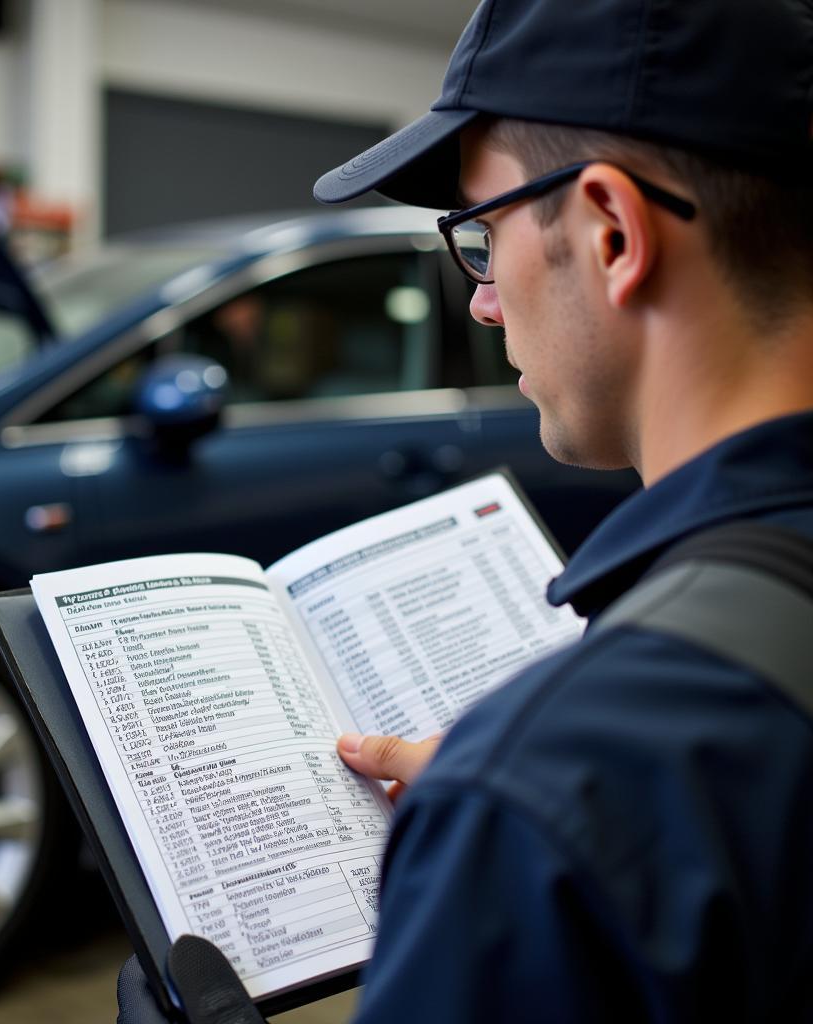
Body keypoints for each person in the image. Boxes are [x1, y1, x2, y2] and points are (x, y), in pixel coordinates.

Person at [119, 0, 813, 1019]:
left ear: (613, 231)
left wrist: (515, 815)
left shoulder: (540, 798)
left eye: (481, 237)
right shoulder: (587, 780)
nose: (483, 301)